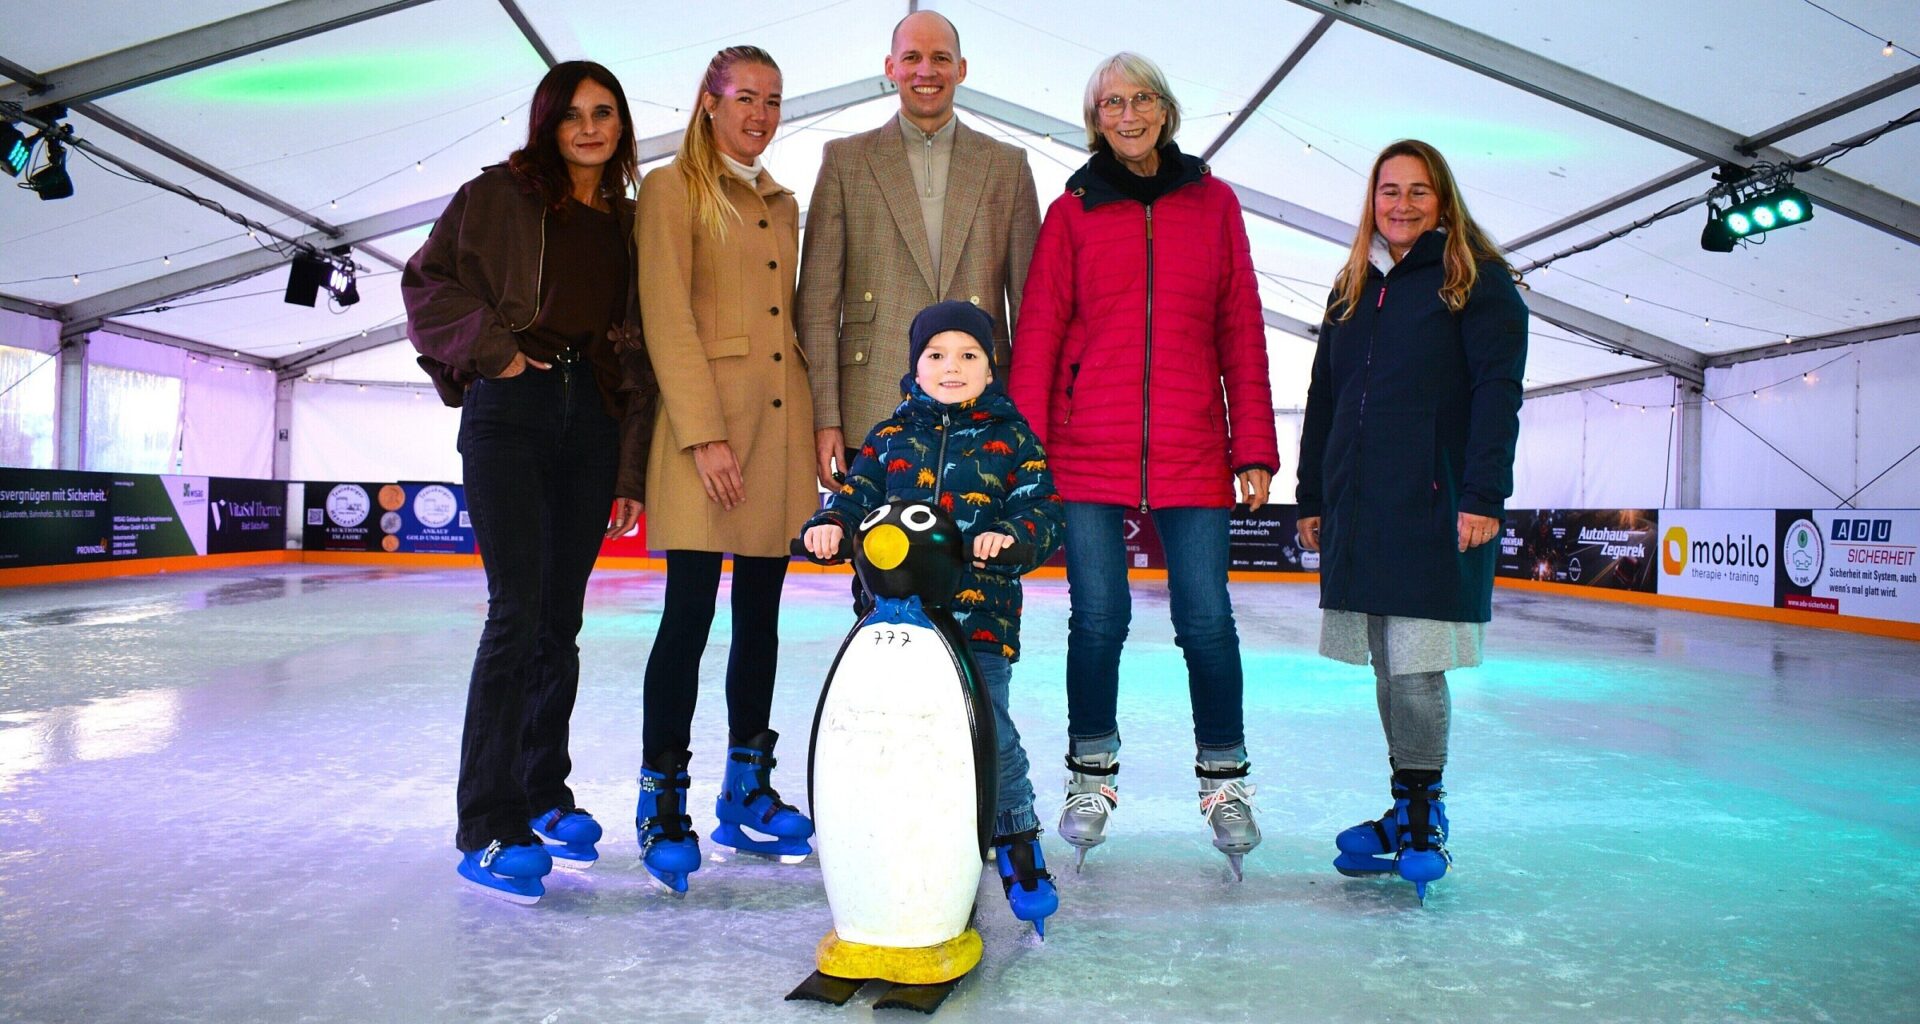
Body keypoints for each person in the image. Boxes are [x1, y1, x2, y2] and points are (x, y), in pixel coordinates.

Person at [1008, 53, 1278, 879]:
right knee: (1097, 621)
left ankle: (1225, 780)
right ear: (1096, 117)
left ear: (1166, 108)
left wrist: (1255, 446)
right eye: (1112, 102)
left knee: (1206, 621)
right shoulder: (1074, 212)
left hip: (1194, 445)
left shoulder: (1214, 203)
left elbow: (1241, 326)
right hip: (1087, 446)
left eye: (1143, 99)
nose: (1129, 113)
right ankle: (1091, 776)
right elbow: (1044, 333)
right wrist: (1027, 449)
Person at [402, 61, 654, 904]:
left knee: (561, 619)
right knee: (515, 614)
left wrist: (626, 466)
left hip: (592, 416)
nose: (591, 128)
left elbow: (636, 350)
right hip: (511, 406)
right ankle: (488, 821)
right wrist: (495, 352)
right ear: (548, 123)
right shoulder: (497, 197)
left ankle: (544, 792)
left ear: (621, 125)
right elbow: (426, 284)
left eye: (605, 113)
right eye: (574, 114)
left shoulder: (628, 220)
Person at [1294, 139, 1528, 900]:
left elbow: (1499, 392)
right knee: (1389, 665)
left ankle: (1424, 813)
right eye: (1388, 191)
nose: (1401, 205)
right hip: (1361, 505)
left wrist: (1484, 495)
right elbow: (1324, 397)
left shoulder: (1476, 284)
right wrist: (1312, 495)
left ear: (1444, 199)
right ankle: (1405, 805)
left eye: (1418, 191)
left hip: (1436, 502)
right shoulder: (1352, 288)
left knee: (1417, 662)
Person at [802, 299, 1064, 932]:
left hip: (979, 619)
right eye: (937, 355)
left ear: (990, 364)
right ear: (914, 367)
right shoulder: (890, 438)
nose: (953, 367)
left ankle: (1014, 835)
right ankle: (897, 840)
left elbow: (1043, 513)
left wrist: (1012, 537)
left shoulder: (1013, 438)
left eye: (969, 355)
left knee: (986, 731)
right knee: (892, 736)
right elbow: (854, 497)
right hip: (893, 625)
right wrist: (828, 527)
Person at [631, 45, 817, 896]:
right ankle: (661, 794)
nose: (761, 114)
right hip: (709, 434)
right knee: (689, 617)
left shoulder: (783, 200)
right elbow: (667, 318)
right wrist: (703, 436)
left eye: (774, 101)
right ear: (709, 102)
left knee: (762, 618)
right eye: (746, 98)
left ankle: (746, 786)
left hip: (780, 432)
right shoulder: (670, 190)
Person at [796, 10, 1040, 491]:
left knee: (981, 557)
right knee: (877, 561)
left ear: (961, 69)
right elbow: (818, 306)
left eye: (940, 58)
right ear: (890, 68)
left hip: (984, 407)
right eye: (912, 58)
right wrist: (825, 418)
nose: (925, 71)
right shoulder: (845, 159)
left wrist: (1024, 415)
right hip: (871, 400)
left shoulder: (1008, 165)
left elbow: (1032, 307)